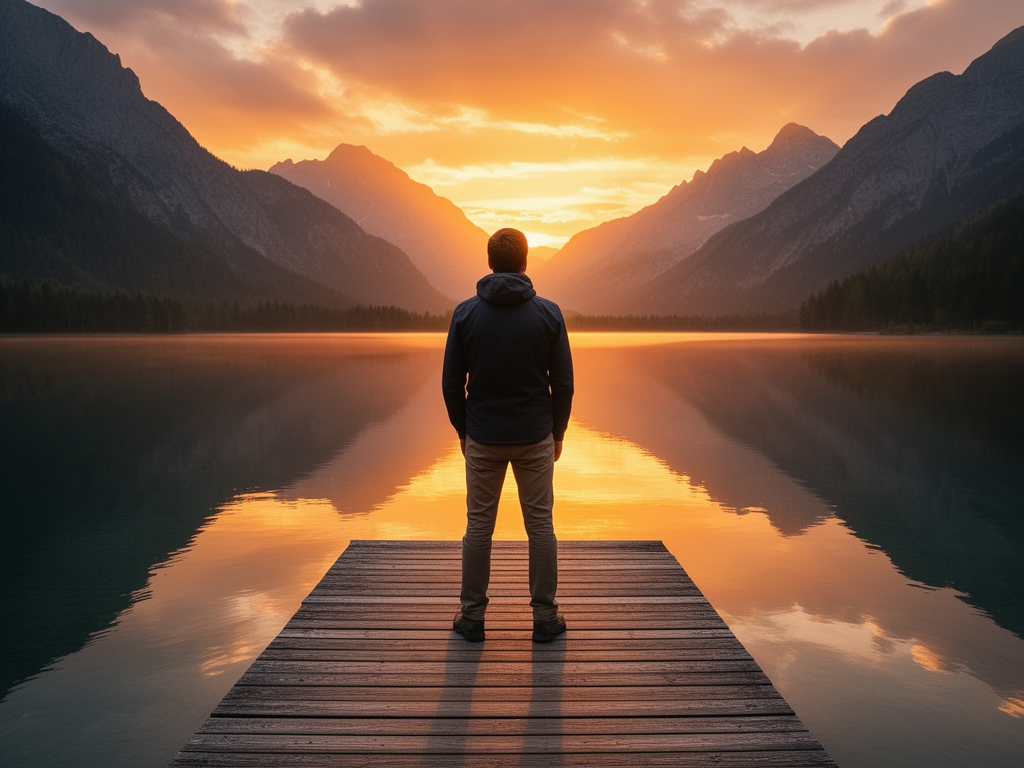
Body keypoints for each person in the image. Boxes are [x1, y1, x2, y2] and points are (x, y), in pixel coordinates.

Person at [442, 227, 574, 643]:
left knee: (479, 527)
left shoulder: (464, 314)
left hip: (483, 436)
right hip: (535, 435)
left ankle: (473, 619)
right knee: (541, 526)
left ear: (489, 263)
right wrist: (558, 432)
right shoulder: (549, 314)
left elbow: (451, 384)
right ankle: (545, 620)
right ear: (524, 263)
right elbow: (564, 383)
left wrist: (463, 431)